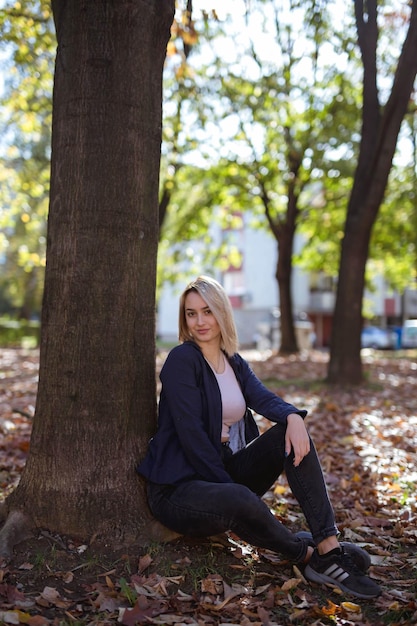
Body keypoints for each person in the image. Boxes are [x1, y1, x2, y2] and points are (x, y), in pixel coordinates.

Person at [137, 276, 381, 600]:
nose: (199, 321)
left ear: (222, 312)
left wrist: (293, 417)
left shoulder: (233, 362)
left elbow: (264, 398)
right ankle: (306, 556)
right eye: (191, 313)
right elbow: (192, 438)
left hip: (219, 469)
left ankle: (327, 545)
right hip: (179, 486)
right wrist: (233, 492)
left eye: (207, 311)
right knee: (239, 500)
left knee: (291, 436)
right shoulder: (182, 361)